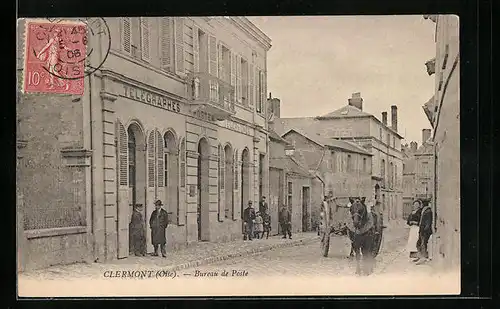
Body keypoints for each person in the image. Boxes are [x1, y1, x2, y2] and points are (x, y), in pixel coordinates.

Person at [415, 201, 433, 265]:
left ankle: (423, 258)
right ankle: (420, 257)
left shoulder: (428, 211)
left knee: (423, 244)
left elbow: (428, 222)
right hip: (422, 230)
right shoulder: (425, 210)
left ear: (423, 204)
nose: (421, 205)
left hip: (425, 231)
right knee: (419, 244)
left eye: (421, 204)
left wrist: (425, 230)